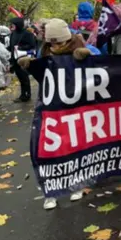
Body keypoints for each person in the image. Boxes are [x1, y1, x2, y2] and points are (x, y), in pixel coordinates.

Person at [17, 18, 91, 209]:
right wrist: (31, 64)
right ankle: (51, 190)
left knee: (75, 146)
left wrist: (87, 57)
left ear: (67, 39)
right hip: (51, 106)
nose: (55, 46)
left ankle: (77, 185)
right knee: (50, 147)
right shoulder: (46, 51)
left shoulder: (79, 45)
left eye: (58, 42)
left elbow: (98, 69)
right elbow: (43, 75)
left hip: (75, 106)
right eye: (51, 43)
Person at [8, 17, 36, 102]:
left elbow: (32, 45)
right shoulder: (13, 34)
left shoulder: (27, 34)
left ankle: (26, 95)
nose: (11, 26)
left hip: (23, 58)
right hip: (15, 59)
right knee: (20, 78)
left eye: (13, 24)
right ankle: (23, 95)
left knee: (24, 77)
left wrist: (20, 47)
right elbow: (11, 46)